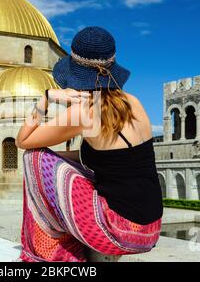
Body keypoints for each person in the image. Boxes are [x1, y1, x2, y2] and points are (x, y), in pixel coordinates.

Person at [15, 26, 163, 262]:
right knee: (59, 162)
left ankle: (50, 256)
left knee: (34, 158)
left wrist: (46, 99)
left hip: (119, 231)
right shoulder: (134, 102)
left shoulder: (85, 112)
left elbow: (23, 140)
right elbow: (113, 162)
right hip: (151, 229)